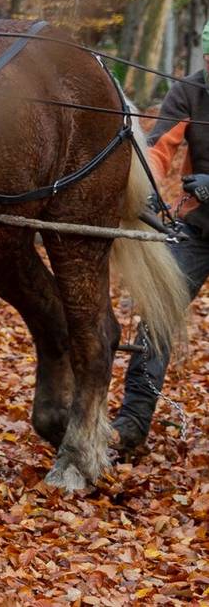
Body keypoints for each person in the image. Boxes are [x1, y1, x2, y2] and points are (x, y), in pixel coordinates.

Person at [112, 22, 209, 450]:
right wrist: (144, 186)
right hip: (199, 227)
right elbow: (158, 147)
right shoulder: (189, 91)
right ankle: (132, 423)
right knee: (157, 310)